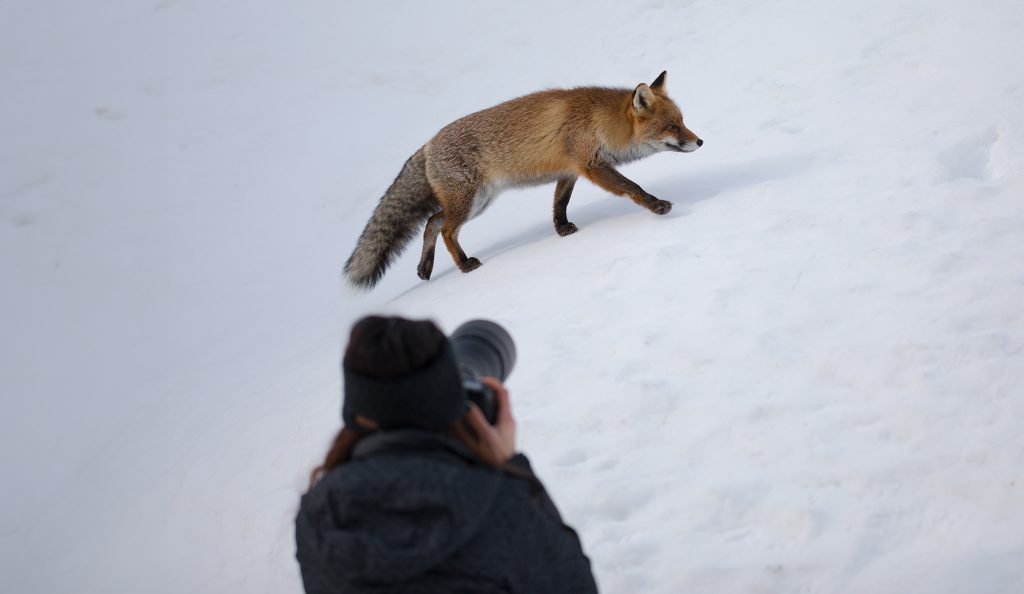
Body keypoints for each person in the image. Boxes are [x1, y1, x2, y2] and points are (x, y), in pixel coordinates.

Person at [295, 315, 598, 594]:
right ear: (451, 401)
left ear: (357, 412)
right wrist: (512, 469)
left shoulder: (320, 516)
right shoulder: (499, 505)